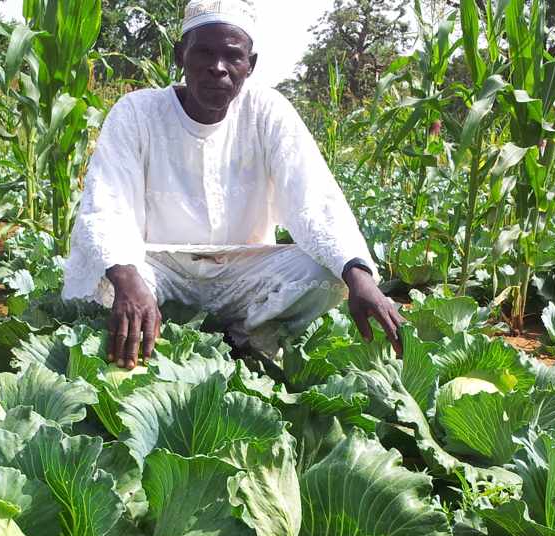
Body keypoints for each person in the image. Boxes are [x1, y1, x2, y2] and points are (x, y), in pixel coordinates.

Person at [63, 0, 406, 369]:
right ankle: (157, 334)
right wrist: (128, 280)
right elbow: (106, 204)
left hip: (243, 271)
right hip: (160, 270)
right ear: (181, 56)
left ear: (251, 65)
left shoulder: (267, 112)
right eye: (204, 54)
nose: (218, 69)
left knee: (329, 273)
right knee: (106, 282)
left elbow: (314, 198)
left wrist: (359, 277)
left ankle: (246, 338)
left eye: (232, 57)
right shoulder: (137, 112)